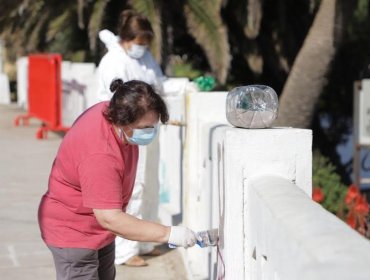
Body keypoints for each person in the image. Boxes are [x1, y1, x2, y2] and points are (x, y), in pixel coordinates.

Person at [38, 79, 199, 280]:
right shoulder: (100, 154)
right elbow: (110, 217)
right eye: (145, 127)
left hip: (100, 229)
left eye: (153, 125)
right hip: (75, 232)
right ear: (123, 121)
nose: (150, 131)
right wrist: (169, 234)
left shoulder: (111, 111)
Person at [96, 10, 166, 267]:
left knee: (150, 186)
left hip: (147, 128)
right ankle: (125, 251)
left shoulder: (145, 58)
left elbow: (159, 84)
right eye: (139, 42)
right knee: (132, 189)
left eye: (145, 43)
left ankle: (145, 242)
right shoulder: (113, 62)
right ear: (126, 39)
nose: (142, 48)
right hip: (126, 132)